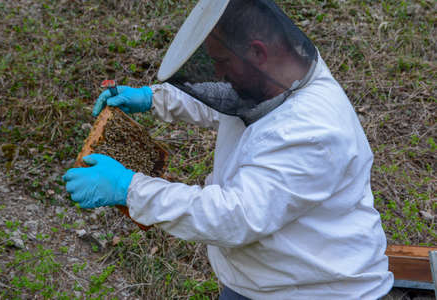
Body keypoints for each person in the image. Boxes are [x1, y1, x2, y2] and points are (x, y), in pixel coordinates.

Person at [63, 0, 394, 299]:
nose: (217, 73)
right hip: (266, 283)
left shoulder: (312, 131)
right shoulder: (281, 77)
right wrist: (154, 98)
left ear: (257, 52)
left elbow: (234, 217)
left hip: (319, 292)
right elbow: (232, 98)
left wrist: (130, 189)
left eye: (221, 62)